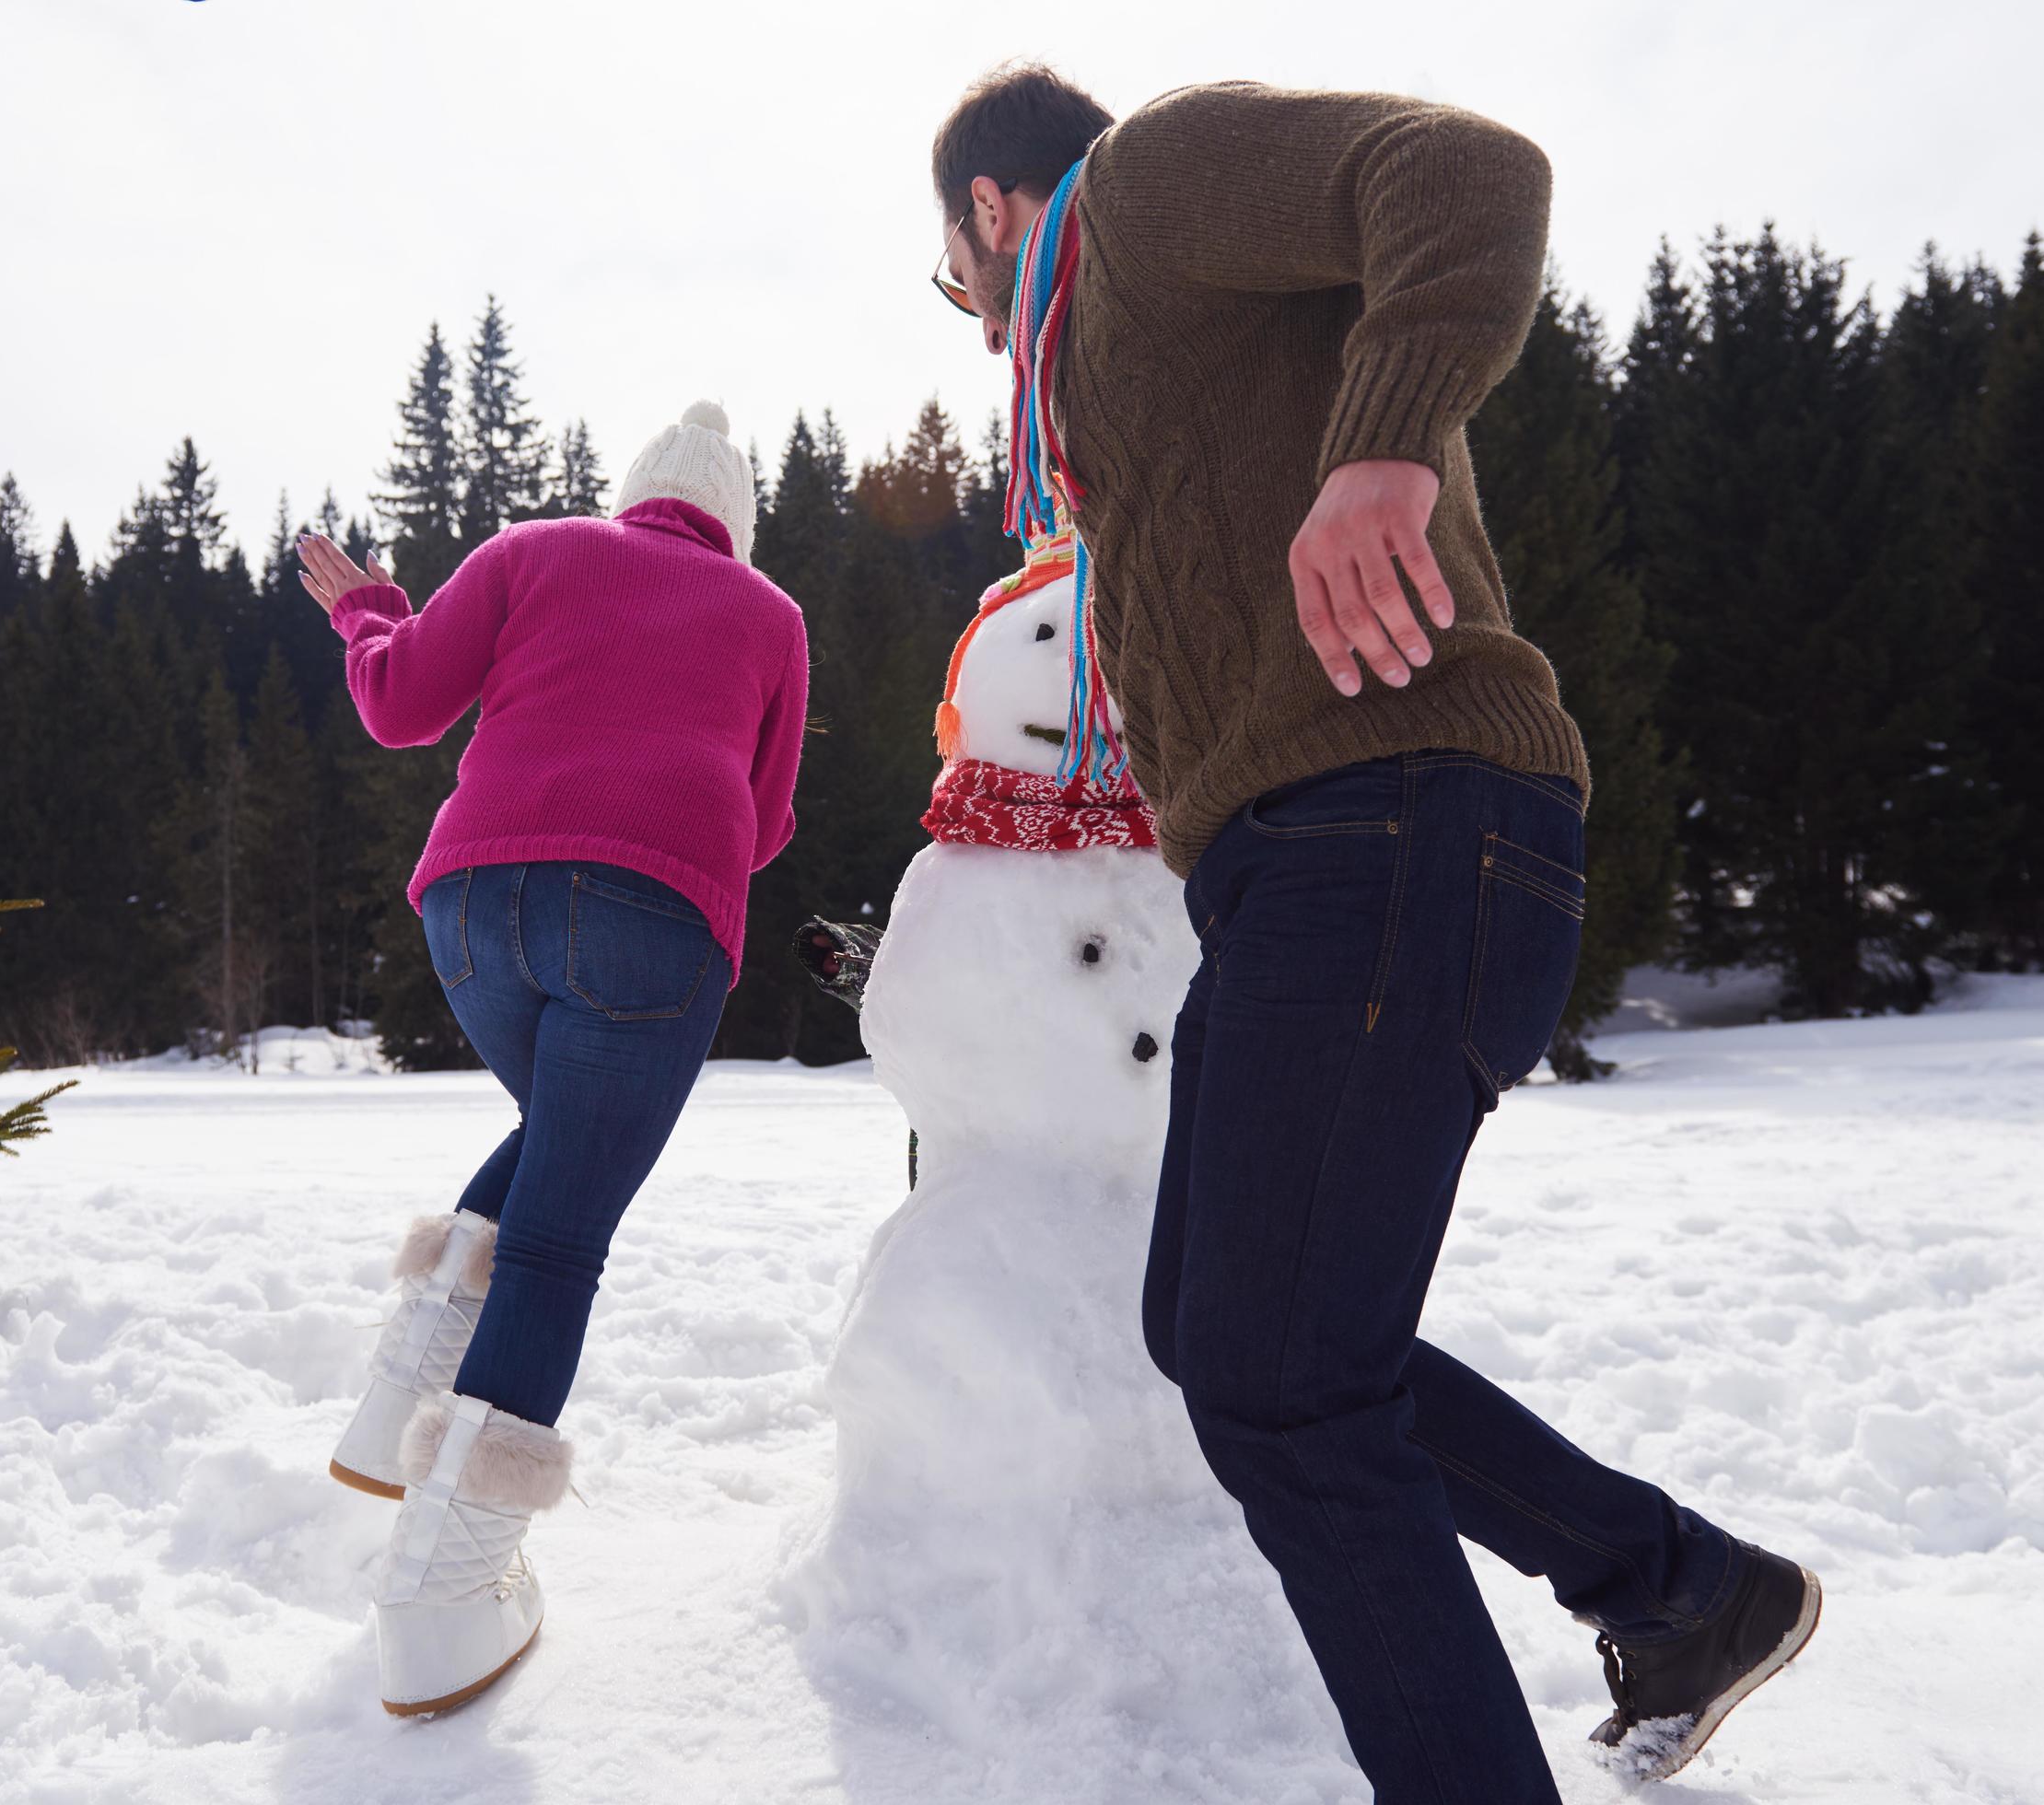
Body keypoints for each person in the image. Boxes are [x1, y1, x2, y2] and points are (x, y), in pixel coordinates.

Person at [926, 66, 1821, 1797]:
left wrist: (1386, 445)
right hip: (1311, 861)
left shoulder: (1149, 182)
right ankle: (1679, 1592)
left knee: (1280, 1389)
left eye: (954, 279)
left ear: (985, 210)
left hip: (1399, 822)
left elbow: (1464, 168)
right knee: (1228, 1340)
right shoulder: (1120, 365)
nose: (972, 330)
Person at [296, 401, 810, 1717]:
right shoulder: (768, 616)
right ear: (735, 527)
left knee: (560, 1146)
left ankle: (400, 1395)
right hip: (650, 924)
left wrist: (367, 615)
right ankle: (445, 1597)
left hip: (471, 908)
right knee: (558, 1236)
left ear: (632, 494)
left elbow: (404, 706)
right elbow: (760, 826)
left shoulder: (532, 549)